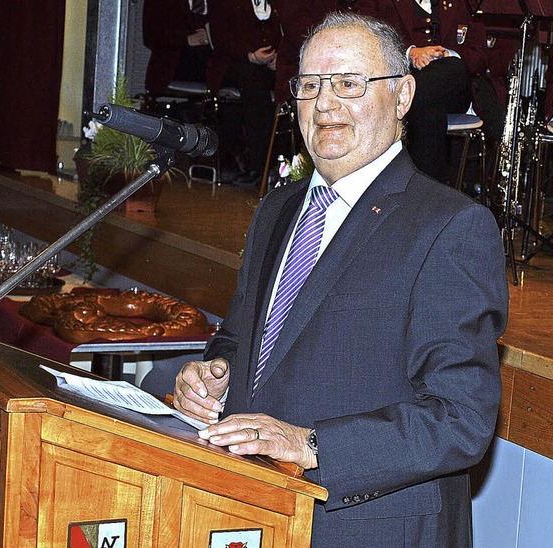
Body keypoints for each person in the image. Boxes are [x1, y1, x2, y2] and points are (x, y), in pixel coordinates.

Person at [173, 11, 508, 547]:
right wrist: (216, 373)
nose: (324, 104)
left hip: (367, 527)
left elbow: (460, 419)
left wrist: (313, 446)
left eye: (349, 84)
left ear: (402, 97)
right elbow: (242, 339)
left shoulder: (451, 227)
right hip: (256, 512)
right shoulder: (277, 210)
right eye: (309, 85)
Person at [356, 0, 488, 183]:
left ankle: (417, 190)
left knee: (448, 70)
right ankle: (428, 194)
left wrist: (444, 55)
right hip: (408, 82)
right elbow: (366, 42)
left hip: (453, 86)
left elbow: (480, 56)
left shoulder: (465, 3)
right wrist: (411, 53)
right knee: (427, 104)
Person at [207, 0, 282, 186]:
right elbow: (219, 38)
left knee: (289, 79)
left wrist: (279, 56)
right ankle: (259, 166)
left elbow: (285, 33)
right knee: (254, 84)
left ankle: (285, 162)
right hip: (232, 64)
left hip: (265, 67)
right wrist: (249, 55)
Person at [142, 0, 211, 95]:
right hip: (174, 64)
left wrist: (211, 36)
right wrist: (187, 40)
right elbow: (151, 36)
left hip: (212, 64)